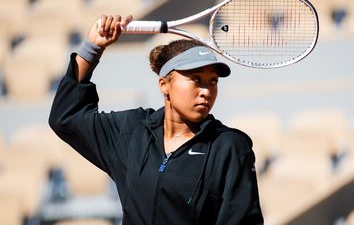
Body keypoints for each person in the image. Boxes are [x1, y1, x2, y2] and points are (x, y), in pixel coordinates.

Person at [49, 14, 263, 225]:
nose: (206, 91)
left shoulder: (230, 146)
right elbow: (66, 117)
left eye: (213, 81)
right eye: (196, 80)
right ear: (164, 85)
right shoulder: (131, 131)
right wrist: (92, 49)